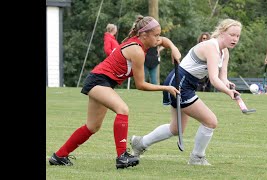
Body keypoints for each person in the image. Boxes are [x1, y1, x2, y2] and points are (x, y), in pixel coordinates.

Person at [48, 15, 181, 169]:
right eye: (156, 35)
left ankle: (59, 156)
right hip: (98, 81)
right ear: (144, 35)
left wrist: (173, 48)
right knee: (122, 109)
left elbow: (163, 40)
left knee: (92, 127)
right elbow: (141, 85)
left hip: (102, 81)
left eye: (158, 35)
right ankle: (122, 156)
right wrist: (166, 87)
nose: (158, 39)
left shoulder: (144, 42)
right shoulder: (137, 51)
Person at [130, 18, 242, 165]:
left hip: (185, 83)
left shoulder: (224, 52)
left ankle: (140, 143)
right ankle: (197, 157)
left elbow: (223, 78)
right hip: (180, 82)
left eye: (237, 36)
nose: (235, 39)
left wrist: (229, 86)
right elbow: (214, 80)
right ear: (221, 32)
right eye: (232, 34)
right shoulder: (211, 47)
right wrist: (228, 93)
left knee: (176, 128)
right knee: (210, 121)